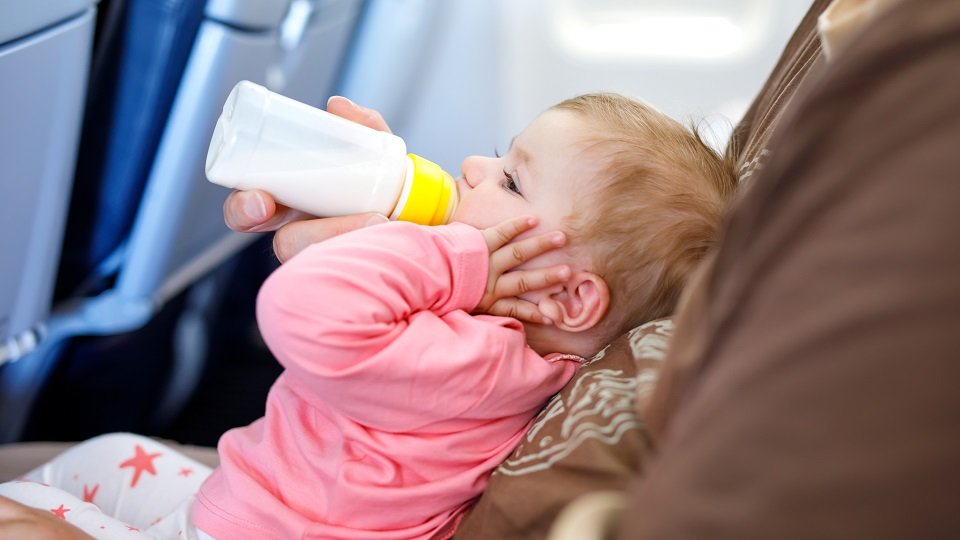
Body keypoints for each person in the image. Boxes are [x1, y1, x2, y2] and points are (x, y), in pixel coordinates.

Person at [0, 93, 735, 539]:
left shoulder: (484, 362)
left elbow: (298, 311)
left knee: (24, 510)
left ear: (566, 298)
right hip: (257, 500)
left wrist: (448, 252)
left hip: (263, 532)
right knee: (108, 453)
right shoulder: (499, 340)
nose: (473, 169)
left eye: (511, 181)